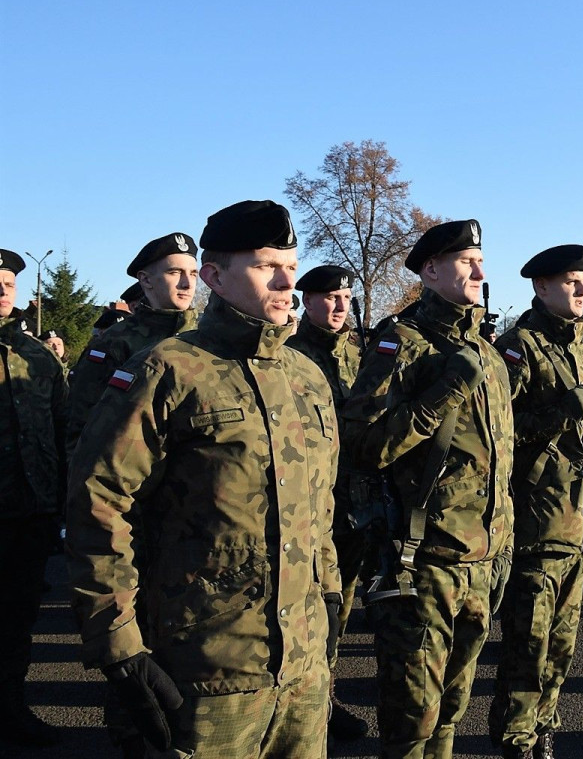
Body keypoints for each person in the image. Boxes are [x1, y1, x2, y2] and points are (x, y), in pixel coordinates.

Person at [67, 200, 342, 759]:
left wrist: (331, 592)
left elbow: (320, 503)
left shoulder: (305, 375)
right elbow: (98, 504)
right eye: (268, 265)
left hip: (303, 670)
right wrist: (118, 644)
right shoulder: (165, 369)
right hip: (206, 669)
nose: (289, 280)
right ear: (215, 277)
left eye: (292, 263)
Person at [342, 219, 514, 759]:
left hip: (483, 558)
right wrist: (444, 391)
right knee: (413, 716)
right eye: (467, 261)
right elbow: (364, 446)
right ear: (431, 270)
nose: (480, 272)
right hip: (425, 560)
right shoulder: (403, 344)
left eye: (481, 260)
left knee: (454, 704)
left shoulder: (486, 351)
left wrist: (504, 542)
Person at [489, 244, 583, 759]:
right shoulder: (519, 349)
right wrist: (556, 414)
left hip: (577, 522)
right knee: (527, 647)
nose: (582, 290)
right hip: (535, 525)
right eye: (570, 281)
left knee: (561, 645)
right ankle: (515, 738)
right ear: (540, 287)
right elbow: (495, 440)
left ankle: (544, 729)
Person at [286, 264, 371, 742]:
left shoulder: (358, 358)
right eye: (329, 298)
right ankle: (303, 698)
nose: (339, 306)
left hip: (353, 505)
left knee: (339, 605)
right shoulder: (291, 355)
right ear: (308, 302)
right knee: (305, 607)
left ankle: (326, 689)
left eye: (345, 298)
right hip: (308, 507)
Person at [0, 248, 68, 748]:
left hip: (29, 512)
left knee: (17, 620)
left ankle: (10, 709)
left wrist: (61, 506)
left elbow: (63, 432)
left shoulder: (39, 358)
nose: (2, 292)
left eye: (7, 284)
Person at [65, 232, 200, 456]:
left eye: (193, 274)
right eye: (174, 272)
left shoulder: (208, 336)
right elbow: (81, 426)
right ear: (146, 279)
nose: (187, 284)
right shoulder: (113, 343)